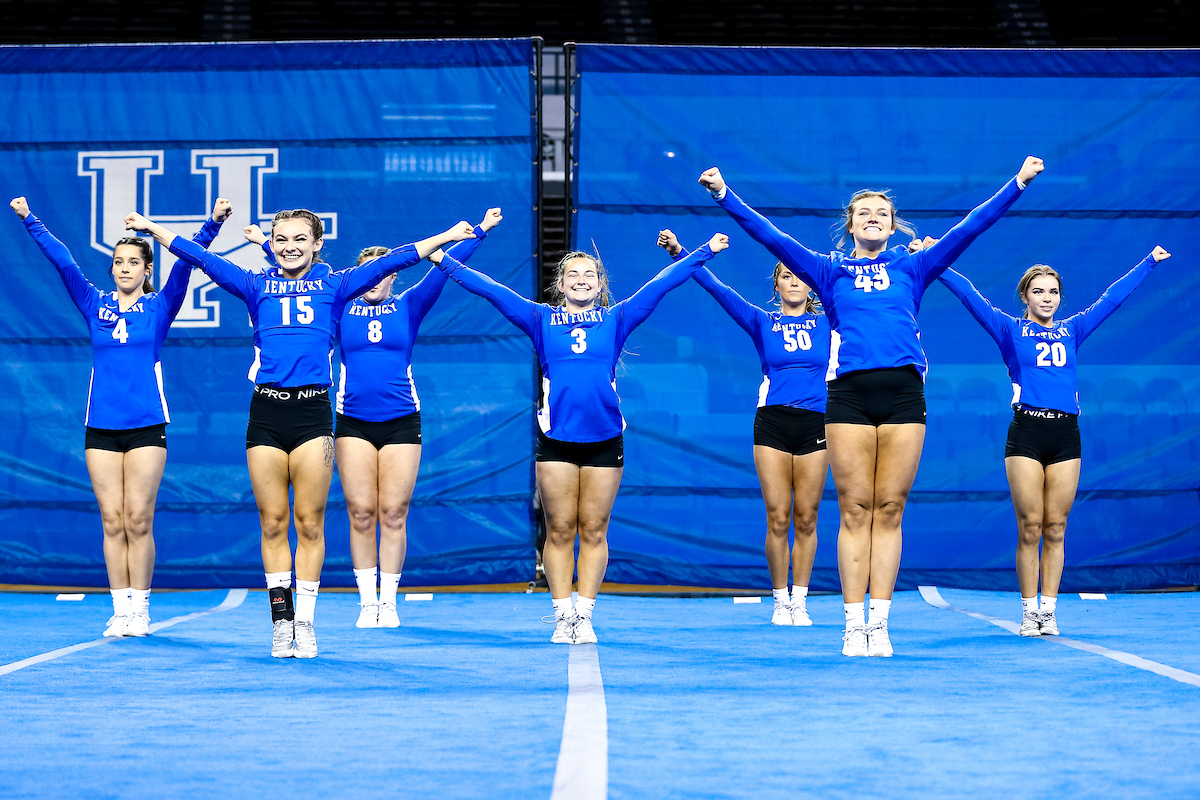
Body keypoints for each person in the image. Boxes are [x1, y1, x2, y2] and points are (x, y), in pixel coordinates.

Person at [699, 156, 1044, 657]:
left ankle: (879, 624)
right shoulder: (827, 269)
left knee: (890, 508)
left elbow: (971, 227)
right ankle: (851, 623)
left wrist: (1016, 184)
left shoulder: (914, 264)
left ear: (893, 222)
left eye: (881, 212)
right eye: (863, 213)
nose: (873, 218)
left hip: (903, 393)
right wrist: (724, 195)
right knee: (856, 509)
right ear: (851, 225)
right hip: (849, 396)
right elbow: (770, 237)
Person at [125, 208, 476, 657]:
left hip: (313, 413)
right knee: (272, 523)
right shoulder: (256, 285)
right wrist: (153, 229)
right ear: (272, 243)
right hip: (266, 412)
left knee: (309, 523)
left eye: (299, 238)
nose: (290, 245)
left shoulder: (336, 285)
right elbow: (199, 258)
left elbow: (396, 261)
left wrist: (446, 233)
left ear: (317, 245)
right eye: (281, 237)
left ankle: (306, 624)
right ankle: (280, 621)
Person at [429, 233, 730, 643]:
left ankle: (584, 615)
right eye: (573, 274)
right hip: (557, 440)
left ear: (601, 284)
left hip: (605, 438)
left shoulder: (617, 318)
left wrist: (705, 250)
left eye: (590, 274)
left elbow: (663, 283)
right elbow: (491, 291)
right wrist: (444, 260)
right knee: (559, 529)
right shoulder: (539, 318)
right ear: (561, 284)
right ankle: (561, 615)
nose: (582, 279)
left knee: (593, 529)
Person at [248, 209, 503, 628]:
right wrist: (263, 241)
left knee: (393, 511)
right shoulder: (337, 302)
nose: (374, 280)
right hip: (351, 422)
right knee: (361, 511)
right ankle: (367, 602)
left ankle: (389, 601)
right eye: (366, 273)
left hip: (402, 420)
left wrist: (479, 232)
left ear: (391, 276)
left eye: (380, 274)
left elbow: (445, 268)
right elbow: (293, 274)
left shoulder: (410, 304)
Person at [11, 195, 232, 637]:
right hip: (102, 428)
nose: (125, 267)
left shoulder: (160, 306)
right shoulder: (95, 305)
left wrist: (212, 224)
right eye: (118, 261)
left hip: (148, 425)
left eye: (134, 261)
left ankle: (142, 608)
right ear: (111, 268)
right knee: (112, 519)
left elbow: (188, 263)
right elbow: (64, 262)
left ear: (147, 269)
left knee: (138, 519)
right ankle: (120, 607)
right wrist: (30, 219)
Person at [937, 247, 1170, 636]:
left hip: (1065, 434)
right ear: (1025, 296)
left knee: (1056, 527)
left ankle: (1049, 609)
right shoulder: (1010, 329)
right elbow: (971, 297)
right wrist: (938, 261)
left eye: (1053, 292)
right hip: (1027, 431)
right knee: (1030, 525)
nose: (1047, 298)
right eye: (1039, 291)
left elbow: (1111, 299)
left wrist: (1148, 262)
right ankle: (1029, 612)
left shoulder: (1073, 329)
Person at [658, 229, 830, 627]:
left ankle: (800, 599)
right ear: (776, 285)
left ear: (811, 283)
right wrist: (681, 251)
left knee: (807, 516)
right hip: (772, 421)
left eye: (800, 275)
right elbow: (716, 289)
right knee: (778, 515)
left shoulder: (829, 324)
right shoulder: (760, 321)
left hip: (817, 422)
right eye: (785, 276)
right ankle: (779, 600)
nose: (793, 281)